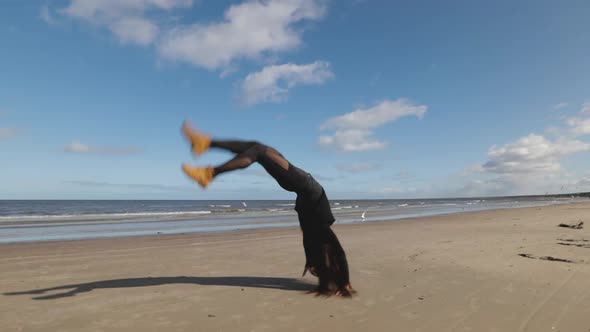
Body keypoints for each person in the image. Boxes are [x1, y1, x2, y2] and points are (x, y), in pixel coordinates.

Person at [181, 121, 355, 297]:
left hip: (304, 185)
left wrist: (336, 278)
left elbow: (334, 251)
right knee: (258, 148)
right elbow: (335, 252)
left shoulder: (318, 232)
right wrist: (342, 281)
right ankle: (205, 144)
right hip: (303, 187)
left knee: (258, 150)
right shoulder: (317, 234)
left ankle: (209, 172)